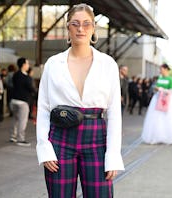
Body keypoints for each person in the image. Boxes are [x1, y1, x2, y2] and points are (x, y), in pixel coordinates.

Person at [36, 4, 124, 198]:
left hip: (96, 139)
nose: (80, 28)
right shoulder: (53, 64)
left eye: (86, 24)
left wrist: (113, 155)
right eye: (75, 24)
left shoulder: (108, 64)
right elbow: (43, 108)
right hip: (60, 137)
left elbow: (115, 113)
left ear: (93, 28)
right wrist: (44, 147)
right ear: (68, 28)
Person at [9, 57, 36, 146]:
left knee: (15, 119)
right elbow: (31, 89)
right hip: (23, 102)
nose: (28, 65)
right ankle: (21, 139)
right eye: (27, 63)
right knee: (22, 120)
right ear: (24, 65)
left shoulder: (15, 75)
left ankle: (13, 136)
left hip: (13, 101)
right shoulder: (27, 77)